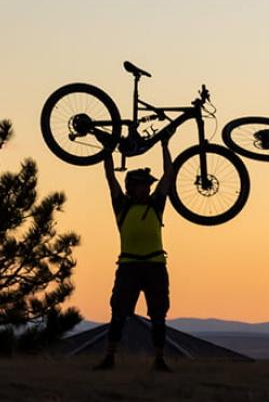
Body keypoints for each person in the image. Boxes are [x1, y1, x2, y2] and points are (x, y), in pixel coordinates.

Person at [94, 139, 175, 372]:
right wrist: (106, 149)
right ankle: (109, 358)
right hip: (129, 266)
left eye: (148, 186)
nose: (147, 189)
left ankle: (159, 360)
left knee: (159, 315)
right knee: (118, 313)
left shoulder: (156, 204)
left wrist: (164, 146)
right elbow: (110, 178)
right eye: (142, 186)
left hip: (155, 265)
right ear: (132, 187)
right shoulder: (122, 205)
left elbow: (168, 176)